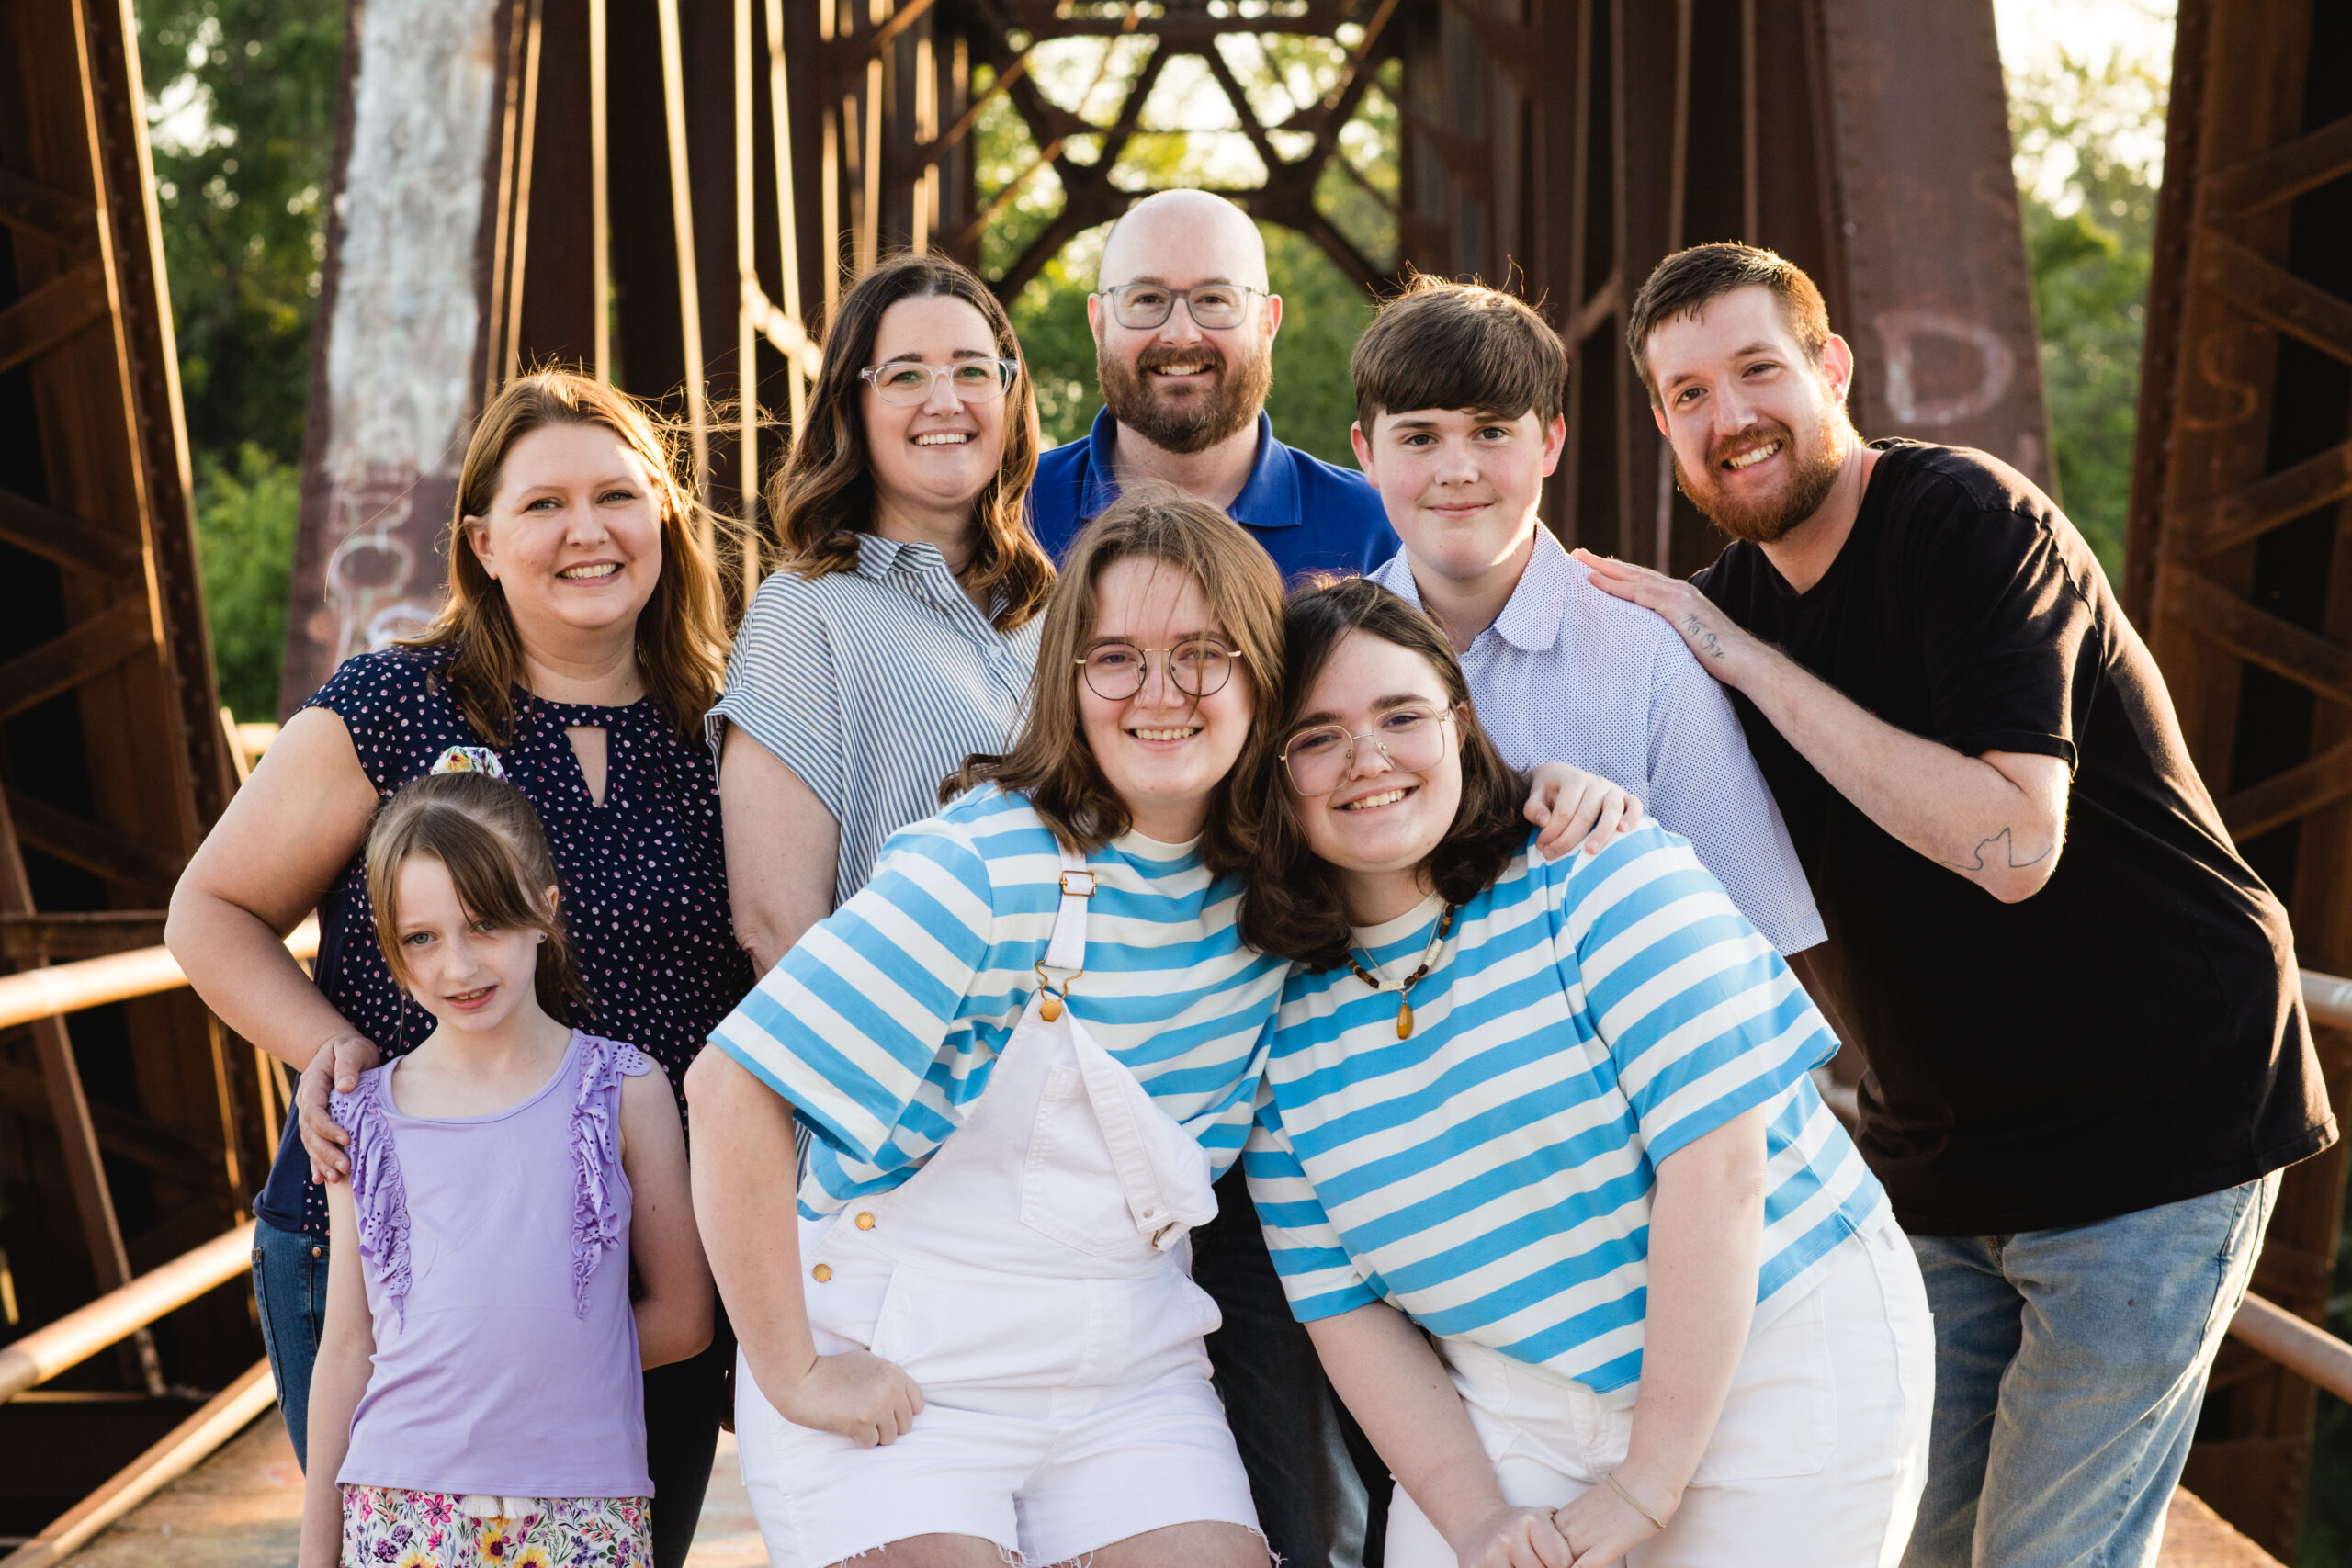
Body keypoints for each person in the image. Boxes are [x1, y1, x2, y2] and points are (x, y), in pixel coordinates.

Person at [684, 489, 1634, 1568]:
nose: (1160, 694)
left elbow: (1413, 822)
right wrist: (793, 1370)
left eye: (1201, 654)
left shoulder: (1280, 883)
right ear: (1068, 680)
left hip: (1125, 1362)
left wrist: (1544, 792)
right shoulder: (988, 865)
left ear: (1259, 680)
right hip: (903, 1364)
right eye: (1116, 659)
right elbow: (730, 1091)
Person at [1583, 243, 2335, 1568]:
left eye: (1759, 368)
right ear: (1660, 423)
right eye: (1688, 392)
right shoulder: (1712, 625)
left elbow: (2009, 840)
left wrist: (1745, 665)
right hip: (1944, 1153)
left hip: (2158, 1123)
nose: (1729, 415)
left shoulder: (1966, 522)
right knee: (1909, 1544)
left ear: (1832, 368)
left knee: (2050, 1553)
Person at [165, 369, 753, 1568]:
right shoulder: (395, 707)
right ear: (482, 541)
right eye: (544, 505)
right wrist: (335, 1049)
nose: (585, 530)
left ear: (664, 517)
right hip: (396, 1245)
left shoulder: (737, 727)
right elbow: (211, 910)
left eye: (616, 496)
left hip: (642, 1270)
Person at [1239, 577, 1932, 1568]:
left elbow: (1721, 1174)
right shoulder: (1276, 1020)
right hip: (1514, 1396)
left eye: (1402, 715)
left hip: (1773, 1351)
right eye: (1316, 736)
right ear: (1270, 773)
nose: (1370, 759)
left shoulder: (1600, 872)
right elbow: (1344, 1310)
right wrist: (1477, 1522)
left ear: (1460, 721)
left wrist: (1645, 1489)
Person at [299, 770, 712, 1568]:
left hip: (584, 1511)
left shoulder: (625, 1089)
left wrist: (540, 1369)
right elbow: (348, 1347)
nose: (457, 965)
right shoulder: (361, 1112)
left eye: (484, 923)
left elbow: (686, 1314)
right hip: (399, 1513)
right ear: (391, 947)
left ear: (545, 911)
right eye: (422, 937)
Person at [1351, 275, 1823, 955]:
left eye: (1490, 431)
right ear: (1366, 452)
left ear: (1549, 443)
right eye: (1419, 438)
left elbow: (1754, 942)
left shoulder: (1647, 657)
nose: (1456, 470)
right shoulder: (1322, 659)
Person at [716, 253, 1055, 976]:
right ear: (852, 407)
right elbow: (777, 931)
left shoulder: (1058, 618)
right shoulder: (806, 616)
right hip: (909, 1074)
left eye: (971, 370)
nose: (945, 400)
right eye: (906, 375)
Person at [1027, 188, 1397, 585]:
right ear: (1098, 323)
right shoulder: (1012, 515)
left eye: (1214, 300)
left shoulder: (1379, 530)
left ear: (1267, 323)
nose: (1181, 334)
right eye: (1148, 299)